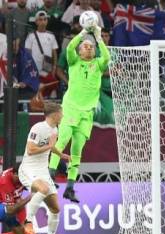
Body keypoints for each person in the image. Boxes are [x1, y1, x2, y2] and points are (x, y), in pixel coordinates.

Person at [48, 24, 110, 203]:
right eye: (85, 46)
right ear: (80, 51)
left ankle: (69, 187)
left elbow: (106, 56)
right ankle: (51, 174)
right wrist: (83, 33)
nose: (88, 47)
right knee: (62, 139)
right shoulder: (74, 62)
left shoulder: (98, 64)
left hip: (86, 114)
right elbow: (69, 47)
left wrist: (98, 37)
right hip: (70, 108)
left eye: (91, 46)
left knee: (77, 150)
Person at [18, 102, 70, 234]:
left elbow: (50, 147)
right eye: (61, 112)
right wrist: (49, 145)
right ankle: (28, 222)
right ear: (54, 114)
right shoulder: (38, 128)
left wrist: (61, 154)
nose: (63, 115)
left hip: (43, 171)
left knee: (55, 208)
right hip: (29, 169)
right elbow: (30, 150)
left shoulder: (55, 129)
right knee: (44, 188)